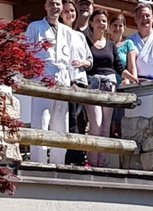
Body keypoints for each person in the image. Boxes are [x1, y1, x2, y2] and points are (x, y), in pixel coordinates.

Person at [25, 0, 74, 164]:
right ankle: (38, 163)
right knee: (41, 120)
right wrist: (31, 75)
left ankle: (58, 163)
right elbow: (26, 53)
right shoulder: (35, 27)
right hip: (42, 77)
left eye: (58, 4)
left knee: (61, 122)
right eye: (51, 4)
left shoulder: (68, 31)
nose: (55, 7)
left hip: (63, 79)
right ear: (45, 6)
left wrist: (72, 80)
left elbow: (72, 60)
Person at [84, 9, 125, 167]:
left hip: (110, 84)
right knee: (96, 124)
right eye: (98, 20)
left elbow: (119, 67)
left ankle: (102, 162)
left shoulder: (110, 45)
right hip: (93, 84)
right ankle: (92, 161)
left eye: (104, 21)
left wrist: (133, 77)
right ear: (92, 23)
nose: (101, 24)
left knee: (106, 126)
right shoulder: (86, 42)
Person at [60, 0, 92, 166]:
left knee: (81, 121)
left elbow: (90, 60)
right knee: (69, 120)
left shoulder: (80, 35)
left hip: (81, 81)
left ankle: (79, 157)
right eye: (66, 11)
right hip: (67, 81)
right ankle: (70, 157)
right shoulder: (58, 32)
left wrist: (83, 63)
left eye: (72, 11)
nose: (70, 14)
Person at [108, 13, 138, 150]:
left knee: (119, 121)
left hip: (122, 86)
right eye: (114, 25)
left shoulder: (128, 44)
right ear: (109, 27)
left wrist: (131, 81)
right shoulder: (106, 44)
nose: (117, 28)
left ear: (124, 27)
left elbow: (131, 65)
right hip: (107, 86)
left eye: (120, 26)